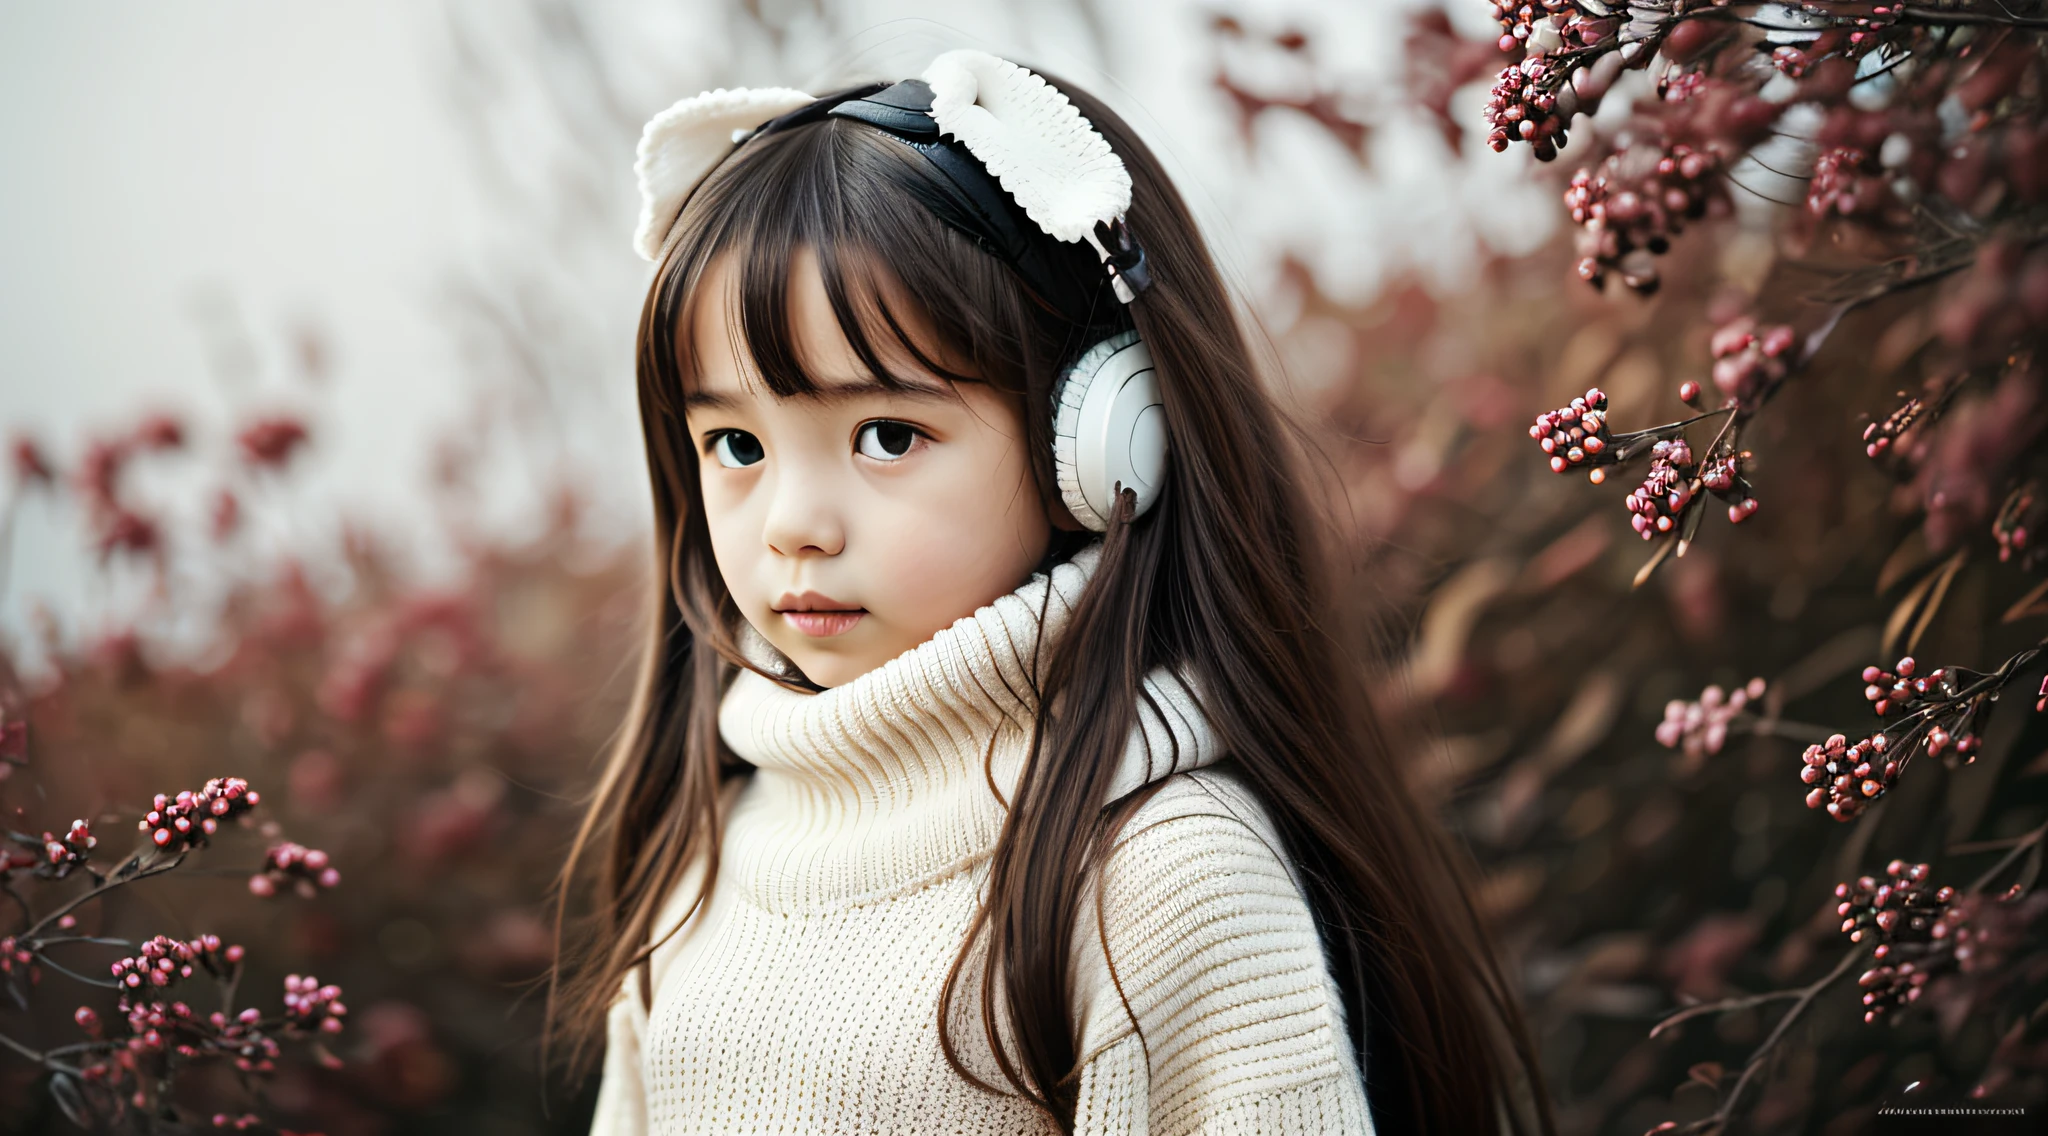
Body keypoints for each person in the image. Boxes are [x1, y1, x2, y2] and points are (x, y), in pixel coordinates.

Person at [548, 48, 1554, 1136]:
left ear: (1102, 440)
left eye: (886, 435)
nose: (791, 520)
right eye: (734, 441)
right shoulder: (714, 838)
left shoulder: (1160, 877)